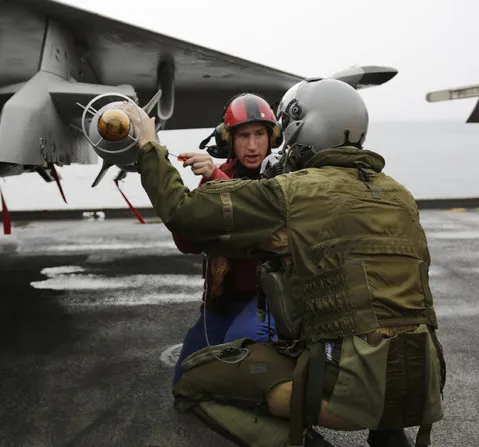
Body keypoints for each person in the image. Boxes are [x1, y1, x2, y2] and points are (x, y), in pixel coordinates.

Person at [116, 78, 445, 447]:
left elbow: (183, 213)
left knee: (193, 386)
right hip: (424, 381)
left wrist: (148, 145)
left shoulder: (297, 191)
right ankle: (389, 438)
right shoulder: (399, 195)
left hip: (351, 384)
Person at [170, 93, 283, 386]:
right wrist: (184, 204)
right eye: (243, 135)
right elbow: (190, 245)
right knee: (184, 381)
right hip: (226, 299)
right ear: (228, 140)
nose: (253, 145)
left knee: (239, 351)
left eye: (260, 134)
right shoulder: (221, 175)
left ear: (272, 138)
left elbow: (254, 216)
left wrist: (215, 177)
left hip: (271, 299)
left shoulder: (283, 176)